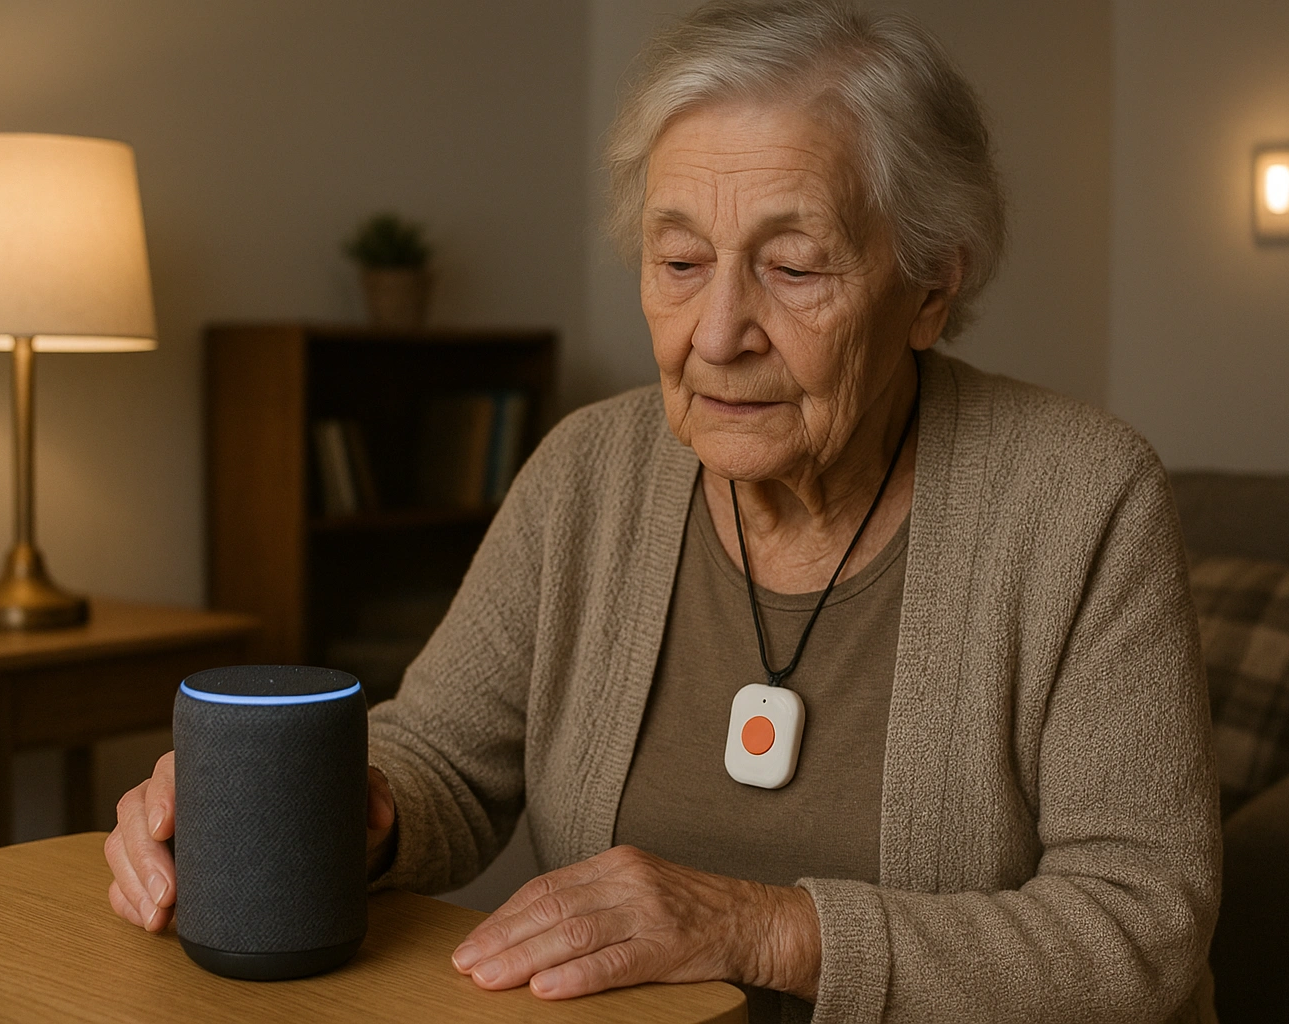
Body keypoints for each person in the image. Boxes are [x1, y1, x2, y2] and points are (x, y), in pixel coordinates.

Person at [105, 2, 1221, 1021]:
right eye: (680, 259)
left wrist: (764, 927)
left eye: (793, 267)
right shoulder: (589, 469)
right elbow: (443, 751)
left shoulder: (1084, 495)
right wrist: (342, 801)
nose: (718, 330)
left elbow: (1142, 928)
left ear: (929, 287)